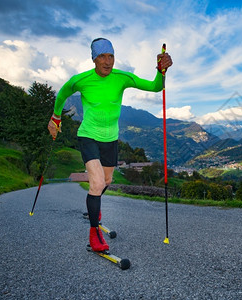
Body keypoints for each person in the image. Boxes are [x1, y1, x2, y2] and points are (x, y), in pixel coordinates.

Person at [47, 38, 172, 252]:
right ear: (94, 59)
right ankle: (93, 233)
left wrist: (161, 71)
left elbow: (155, 87)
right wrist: (56, 118)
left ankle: (95, 207)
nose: (107, 61)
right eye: (102, 56)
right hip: (88, 136)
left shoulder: (122, 78)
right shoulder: (80, 80)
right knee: (96, 184)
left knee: (106, 180)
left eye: (111, 56)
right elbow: (62, 94)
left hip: (110, 139)